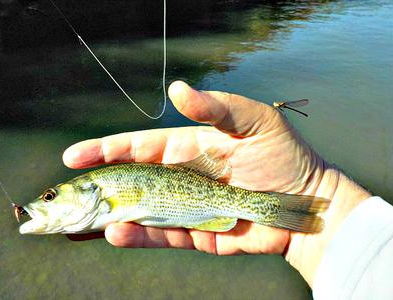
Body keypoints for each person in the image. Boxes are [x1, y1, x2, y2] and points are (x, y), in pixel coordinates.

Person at [63, 81, 393, 299]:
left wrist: (318, 186)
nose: (47, 200)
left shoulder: (103, 188)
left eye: (51, 197)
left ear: (90, 192)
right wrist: (327, 196)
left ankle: (308, 209)